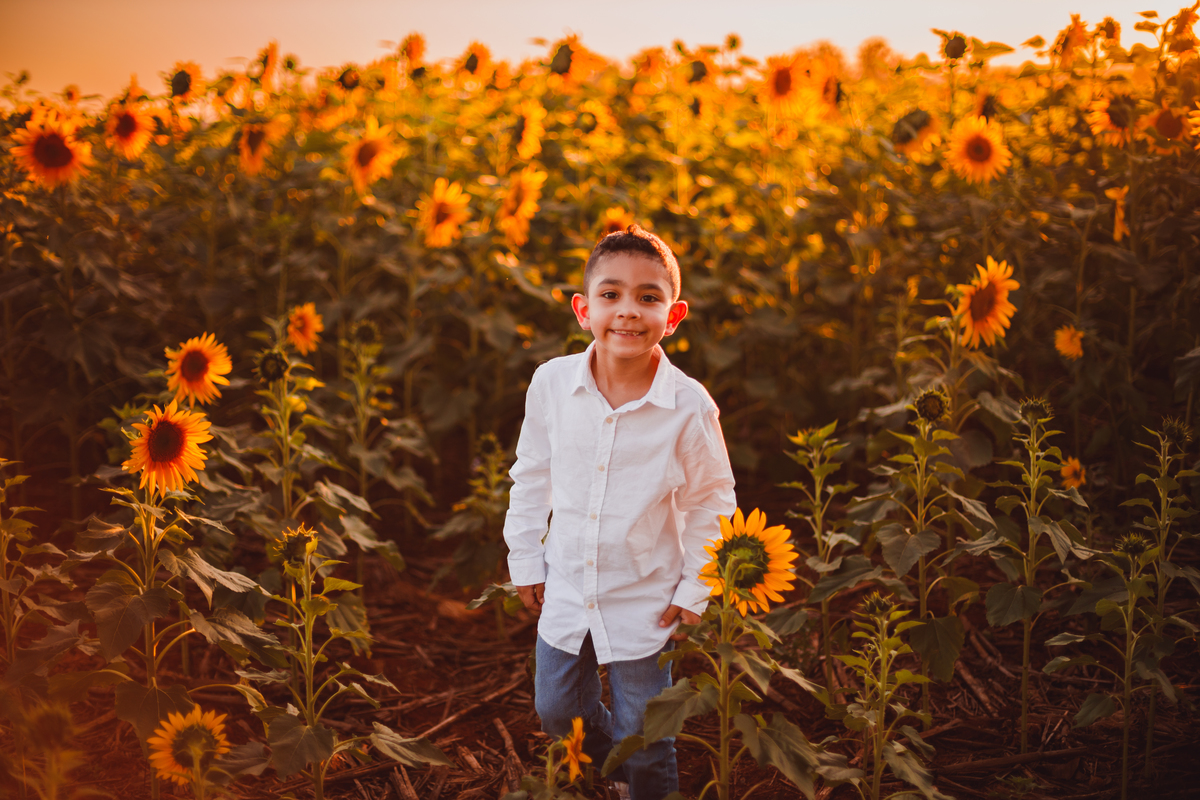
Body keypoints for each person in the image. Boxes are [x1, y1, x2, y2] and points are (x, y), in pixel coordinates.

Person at [504, 224, 736, 800]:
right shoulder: (552, 384)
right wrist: (524, 559)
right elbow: (531, 474)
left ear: (673, 316)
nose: (628, 311)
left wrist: (697, 587)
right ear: (584, 309)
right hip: (566, 584)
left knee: (646, 732)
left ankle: (646, 786)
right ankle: (614, 775)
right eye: (611, 294)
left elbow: (711, 501)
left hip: (644, 599)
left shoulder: (688, 407)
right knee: (557, 709)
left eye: (648, 297)